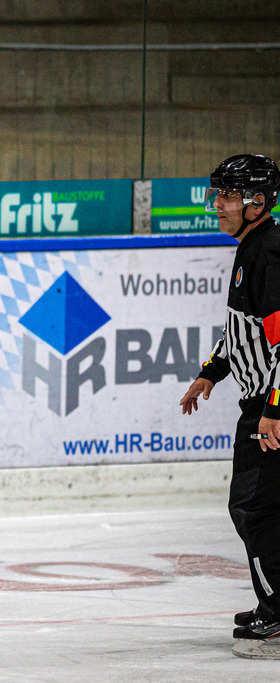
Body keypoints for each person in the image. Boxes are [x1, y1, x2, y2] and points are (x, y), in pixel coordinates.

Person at [179, 153, 280, 659]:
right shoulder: (251, 247)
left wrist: (275, 411)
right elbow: (242, 330)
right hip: (262, 401)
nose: (217, 205)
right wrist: (210, 373)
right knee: (261, 508)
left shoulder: (269, 253)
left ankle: (279, 611)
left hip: (271, 407)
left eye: (228, 196)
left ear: (257, 202)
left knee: (254, 508)